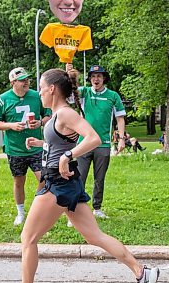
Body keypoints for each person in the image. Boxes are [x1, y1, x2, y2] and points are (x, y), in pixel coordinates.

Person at [0, 68, 160, 283]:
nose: (38, 92)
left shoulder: (64, 113)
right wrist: (42, 143)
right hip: (68, 182)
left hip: (57, 184)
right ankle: (142, 272)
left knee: (28, 238)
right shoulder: (56, 115)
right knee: (94, 236)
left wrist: (68, 156)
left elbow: (92, 137)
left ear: (52, 89)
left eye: (41, 87)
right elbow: (63, 142)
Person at [0, 67, 51, 225]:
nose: (26, 82)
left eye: (27, 79)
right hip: (15, 149)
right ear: (13, 83)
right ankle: (20, 212)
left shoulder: (36, 96)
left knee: (44, 178)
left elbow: (48, 115)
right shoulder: (3, 99)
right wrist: (11, 126)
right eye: (22, 80)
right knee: (19, 181)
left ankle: (35, 210)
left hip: (36, 146)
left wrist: (40, 123)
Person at [70, 64, 126, 219]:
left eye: (99, 76)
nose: (96, 79)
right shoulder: (84, 92)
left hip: (103, 143)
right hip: (84, 142)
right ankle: (76, 210)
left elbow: (120, 118)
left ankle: (97, 208)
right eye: (93, 76)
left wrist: (121, 139)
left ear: (104, 79)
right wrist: (69, 74)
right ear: (90, 79)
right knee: (79, 177)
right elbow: (68, 95)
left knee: (99, 178)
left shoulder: (113, 96)